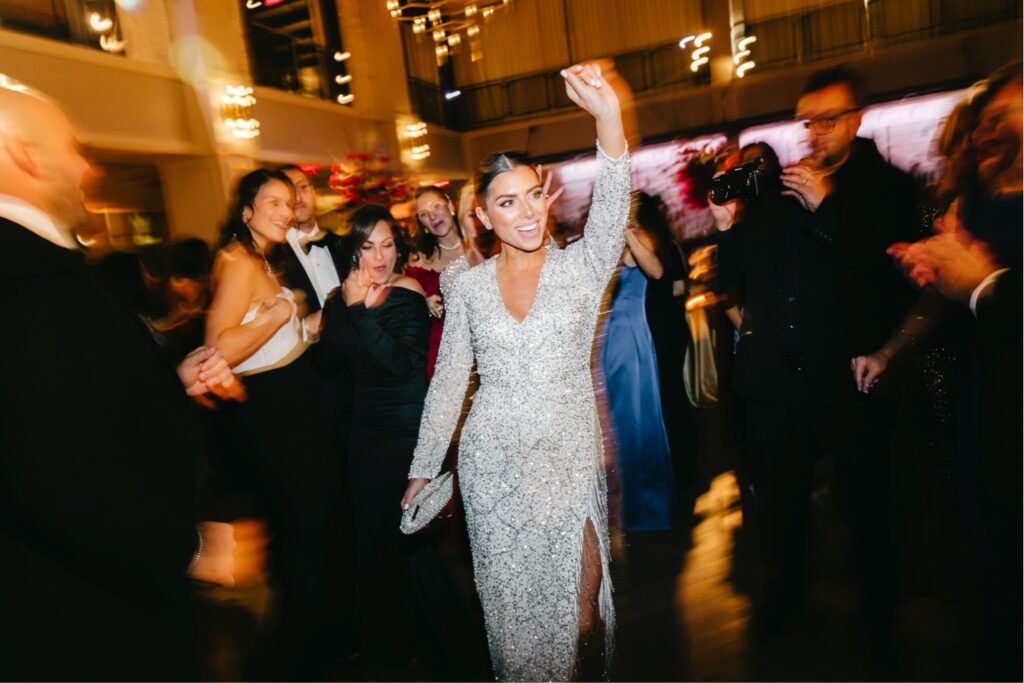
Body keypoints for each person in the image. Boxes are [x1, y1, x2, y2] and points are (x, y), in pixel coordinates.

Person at [0, 76, 236, 679]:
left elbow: (63, 394)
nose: (88, 166)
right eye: (73, 147)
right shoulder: (23, 280)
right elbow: (54, 473)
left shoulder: (44, 264)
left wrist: (164, 378)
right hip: (89, 623)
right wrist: (189, 548)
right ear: (25, 155)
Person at [403, 62, 629, 681]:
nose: (527, 213)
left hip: (567, 459)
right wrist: (425, 469)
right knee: (513, 620)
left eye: (535, 194)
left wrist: (608, 116)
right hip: (492, 465)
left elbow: (611, 207)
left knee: (582, 611)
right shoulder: (467, 286)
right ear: (482, 216)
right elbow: (450, 381)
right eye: (508, 201)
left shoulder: (582, 269)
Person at [715, 65, 917, 666]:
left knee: (866, 508)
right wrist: (728, 227)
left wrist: (827, 208)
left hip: (849, 376)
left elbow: (891, 275)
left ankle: (880, 617)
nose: (816, 131)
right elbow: (737, 282)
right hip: (776, 386)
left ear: (856, 118)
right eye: (808, 121)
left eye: (828, 119)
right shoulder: (780, 192)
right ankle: (785, 598)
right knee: (780, 507)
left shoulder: (888, 188)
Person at [315, 205, 479, 676]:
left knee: (411, 544)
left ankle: (454, 646)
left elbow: (403, 364)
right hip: (364, 436)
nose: (380, 256)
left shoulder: (407, 292)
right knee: (374, 545)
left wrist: (359, 311)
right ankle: (392, 642)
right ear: (354, 251)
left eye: (388, 244)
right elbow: (328, 363)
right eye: (368, 246)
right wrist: (342, 308)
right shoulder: (337, 297)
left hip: (407, 433)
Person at [205, 168, 354, 678]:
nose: (284, 211)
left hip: (293, 402)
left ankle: (318, 644)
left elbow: (275, 341)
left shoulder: (264, 262)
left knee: (314, 529)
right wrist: (274, 317)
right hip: (274, 414)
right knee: (307, 533)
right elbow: (218, 349)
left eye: (288, 203)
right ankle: (292, 662)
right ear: (246, 210)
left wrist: (309, 327)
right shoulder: (237, 260)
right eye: (271, 202)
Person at [599, 210, 675, 532]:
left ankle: (647, 510)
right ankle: (624, 508)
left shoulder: (637, 236)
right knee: (614, 426)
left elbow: (657, 272)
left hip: (630, 339)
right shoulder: (599, 243)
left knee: (636, 419)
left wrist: (626, 233)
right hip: (605, 340)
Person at [274, 164, 342, 314]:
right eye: (289, 191)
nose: (297, 197)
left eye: (302, 187)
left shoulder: (343, 244)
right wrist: (305, 329)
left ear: (313, 192)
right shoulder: (271, 258)